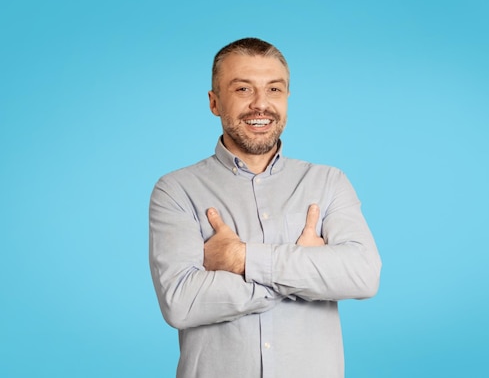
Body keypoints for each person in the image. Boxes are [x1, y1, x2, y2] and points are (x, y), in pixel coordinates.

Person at [149, 37, 381, 378]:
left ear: (287, 98)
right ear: (214, 102)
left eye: (274, 90)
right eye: (243, 89)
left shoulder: (329, 182)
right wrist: (304, 270)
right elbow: (181, 303)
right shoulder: (176, 190)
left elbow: (362, 276)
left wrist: (243, 259)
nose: (261, 104)